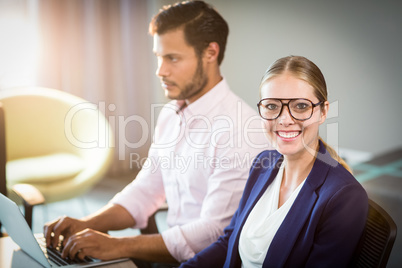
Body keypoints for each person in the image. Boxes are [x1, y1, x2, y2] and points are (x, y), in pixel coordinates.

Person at [43, 1, 268, 266]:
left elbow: (212, 235)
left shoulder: (241, 132)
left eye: (172, 58)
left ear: (210, 52)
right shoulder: (172, 114)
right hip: (171, 255)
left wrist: (116, 246)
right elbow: (147, 190)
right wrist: (86, 223)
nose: (160, 71)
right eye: (159, 57)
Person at [180, 55, 369, 268]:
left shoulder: (344, 197)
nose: (285, 119)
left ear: (323, 111)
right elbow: (227, 244)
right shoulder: (263, 163)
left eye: (300, 106)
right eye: (271, 106)